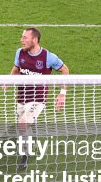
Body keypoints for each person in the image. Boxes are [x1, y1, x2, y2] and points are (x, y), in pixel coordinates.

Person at [7, 27, 70, 169]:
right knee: (23, 128)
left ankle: (25, 156)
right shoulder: (20, 53)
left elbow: (65, 70)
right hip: (21, 97)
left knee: (23, 123)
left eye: (25, 37)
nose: (21, 40)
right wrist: (8, 81)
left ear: (34, 40)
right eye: (22, 37)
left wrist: (62, 94)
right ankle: (28, 144)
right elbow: (16, 69)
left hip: (38, 98)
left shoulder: (49, 57)